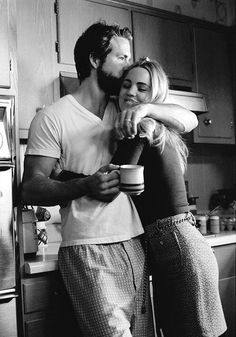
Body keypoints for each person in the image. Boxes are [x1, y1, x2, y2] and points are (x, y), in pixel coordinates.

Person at [21, 21, 198, 337]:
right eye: (121, 56)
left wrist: (147, 107)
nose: (129, 65)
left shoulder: (126, 107)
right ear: (94, 60)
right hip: (89, 247)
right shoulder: (52, 117)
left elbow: (188, 119)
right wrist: (84, 185)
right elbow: (31, 186)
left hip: (135, 243)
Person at [111, 58, 227, 337]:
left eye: (142, 88)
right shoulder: (157, 129)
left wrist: (63, 175)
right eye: (126, 85)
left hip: (177, 248)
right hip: (176, 246)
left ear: (154, 96)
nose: (130, 92)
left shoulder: (144, 126)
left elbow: (113, 181)